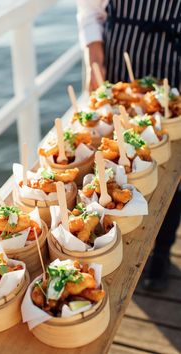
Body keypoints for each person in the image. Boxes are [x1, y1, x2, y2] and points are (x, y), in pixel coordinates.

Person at [76, 0, 181, 291]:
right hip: (118, 63)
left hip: (173, 64)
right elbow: (90, 11)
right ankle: (120, 249)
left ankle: (161, 250)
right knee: (118, 168)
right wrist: (94, 61)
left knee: (172, 174)